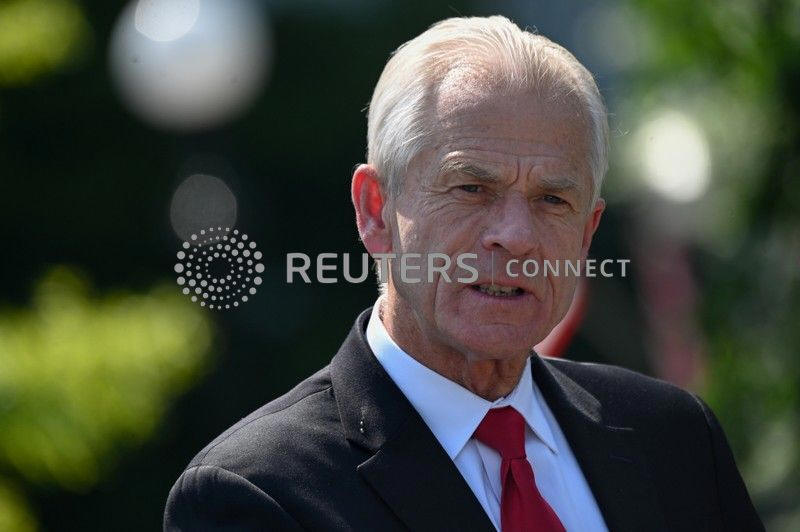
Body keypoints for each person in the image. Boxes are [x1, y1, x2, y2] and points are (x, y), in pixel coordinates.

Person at [164, 16, 763, 531]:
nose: (517, 235)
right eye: (472, 188)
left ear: (586, 233)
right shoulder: (258, 492)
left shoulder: (676, 441)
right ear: (376, 211)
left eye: (553, 200)